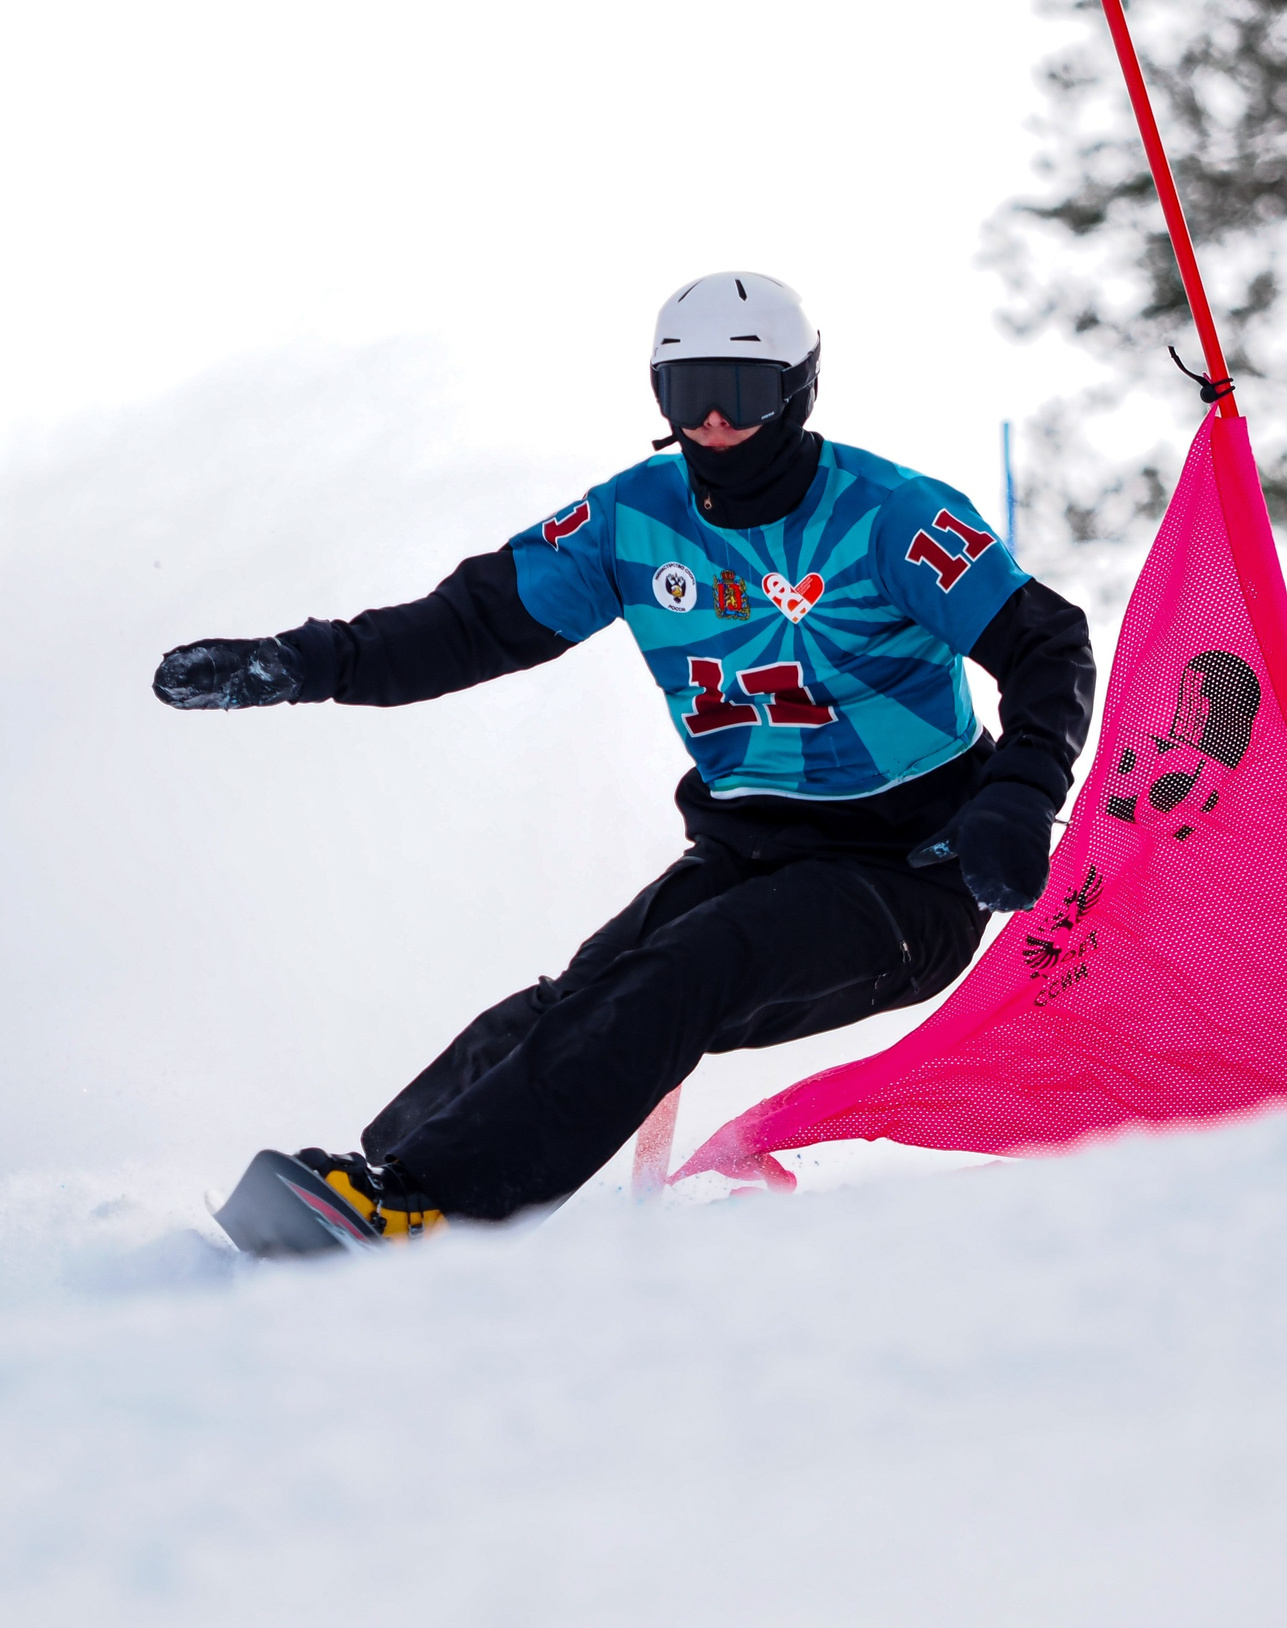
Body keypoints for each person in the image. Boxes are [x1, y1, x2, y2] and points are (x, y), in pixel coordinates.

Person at [158, 272, 1094, 1252]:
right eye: (689, 394)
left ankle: (430, 1215)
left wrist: (1019, 791)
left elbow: (1048, 644)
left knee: (681, 972)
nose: (719, 419)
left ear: (799, 388)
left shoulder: (885, 515)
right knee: (577, 1000)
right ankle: (382, 1179)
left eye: (743, 389)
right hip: (748, 851)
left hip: (908, 877)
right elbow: (472, 623)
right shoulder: (633, 522)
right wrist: (303, 664)